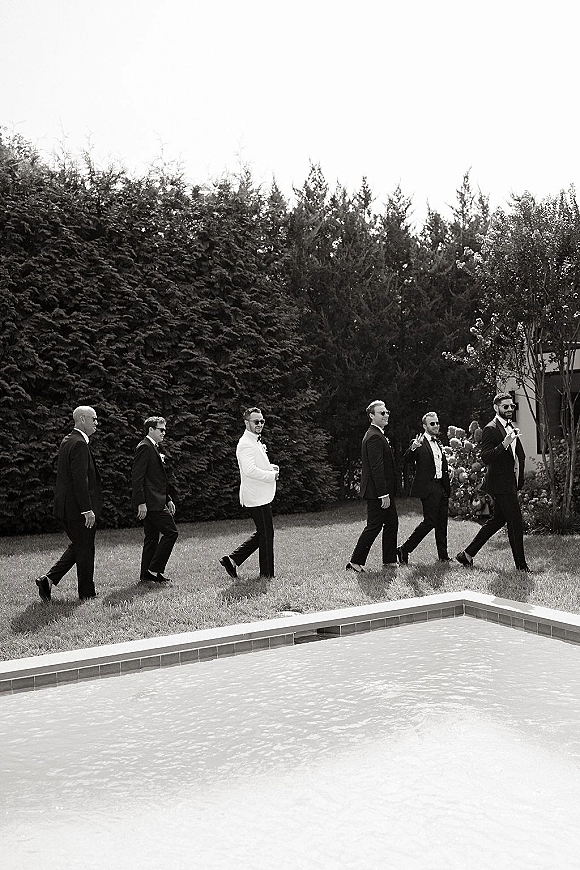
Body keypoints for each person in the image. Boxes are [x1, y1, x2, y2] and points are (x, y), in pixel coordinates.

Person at [456, 392, 530, 572]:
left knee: (498, 520)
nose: (510, 409)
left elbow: (515, 456)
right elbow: (486, 457)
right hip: (500, 485)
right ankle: (521, 567)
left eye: (512, 406)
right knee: (515, 522)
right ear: (496, 407)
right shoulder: (491, 428)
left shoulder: (509, 426)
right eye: (506, 406)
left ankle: (466, 555)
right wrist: (504, 444)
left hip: (509, 483)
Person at [34, 406, 102, 602]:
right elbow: (80, 480)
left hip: (67, 508)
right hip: (76, 510)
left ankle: (47, 580)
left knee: (80, 546)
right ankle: (87, 594)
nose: (96, 423)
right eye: (94, 419)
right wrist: (87, 509)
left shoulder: (69, 440)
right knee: (85, 548)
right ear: (82, 419)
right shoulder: (78, 443)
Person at [219, 407, 279, 580]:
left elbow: (256, 465)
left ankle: (232, 560)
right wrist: (271, 475)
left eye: (262, 421)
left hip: (260, 495)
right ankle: (267, 574)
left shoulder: (254, 440)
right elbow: (250, 470)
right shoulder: (245, 443)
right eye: (256, 421)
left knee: (264, 532)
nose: (260, 424)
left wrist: (270, 467)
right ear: (247, 423)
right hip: (255, 496)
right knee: (266, 533)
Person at [347, 400, 398, 573]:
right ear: (371, 416)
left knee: (392, 522)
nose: (386, 415)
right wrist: (383, 494)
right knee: (374, 525)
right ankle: (355, 563)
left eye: (387, 412)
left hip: (383, 491)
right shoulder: (374, 436)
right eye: (381, 413)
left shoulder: (378, 433)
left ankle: (390, 560)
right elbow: (376, 468)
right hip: (377, 492)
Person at [397, 411, 451, 564]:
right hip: (429, 487)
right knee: (430, 522)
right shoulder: (419, 442)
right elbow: (407, 460)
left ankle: (443, 556)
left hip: (441, 486)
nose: (435, 426)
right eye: (432, 423)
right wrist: (413, 447)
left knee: (442, 523)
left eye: (437, 423)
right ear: (425, 426)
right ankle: (404, 549)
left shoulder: (438, 442)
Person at [132, 415, 178, 583]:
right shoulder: (144, 447)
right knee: (171, 533)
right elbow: (138, 477)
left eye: (165, 430)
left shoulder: (154, 447)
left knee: (151, 538)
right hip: (151, 502)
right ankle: (154, 570)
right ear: (151, 429)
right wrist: (141, 503)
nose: (164, 433)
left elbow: (159, 478)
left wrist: (168, 498)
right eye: (161, 430)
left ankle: (147, 575)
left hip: (158, 499)